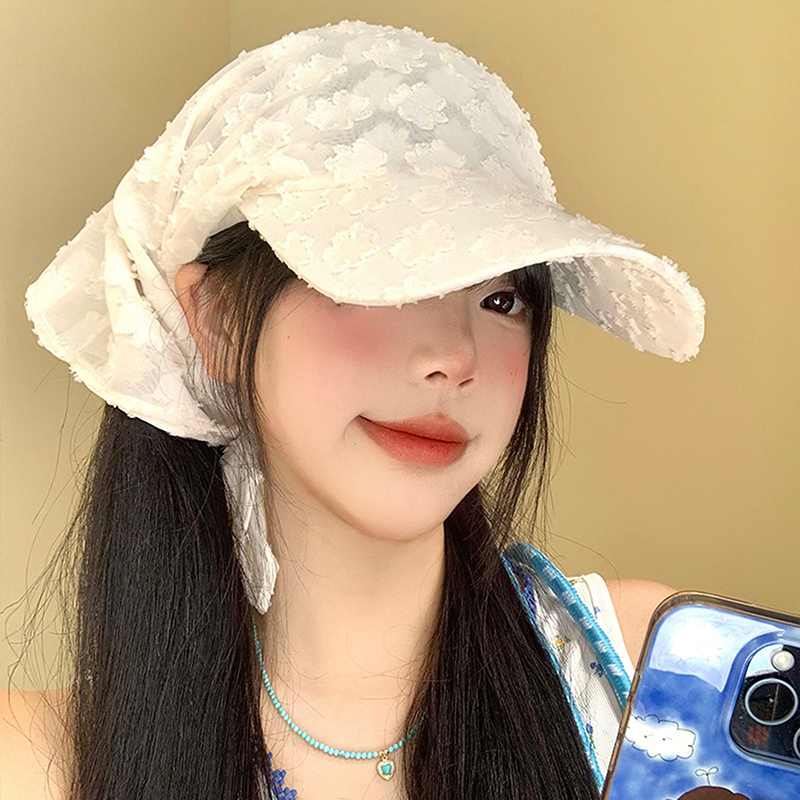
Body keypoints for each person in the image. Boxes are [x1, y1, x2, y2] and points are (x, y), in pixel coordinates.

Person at [2, 19, 705, 800]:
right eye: (387, 279)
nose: (455, 357)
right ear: (219, 321)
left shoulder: (653, 681)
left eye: (501, 298)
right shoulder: (35, 763)